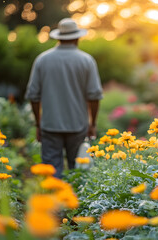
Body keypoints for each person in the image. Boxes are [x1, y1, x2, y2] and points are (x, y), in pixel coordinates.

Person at [25, 18, 103, 178]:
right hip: (78, 125)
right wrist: (92, 123)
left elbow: (33, 96)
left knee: (52, 172)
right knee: (80, 172)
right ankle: (76, 202)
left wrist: (38, 124)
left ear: (59, 37)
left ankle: (55, 201)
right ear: (77, 37)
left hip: (50, 125)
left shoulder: (42, 60)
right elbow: (94, 96)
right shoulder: (86, 60)